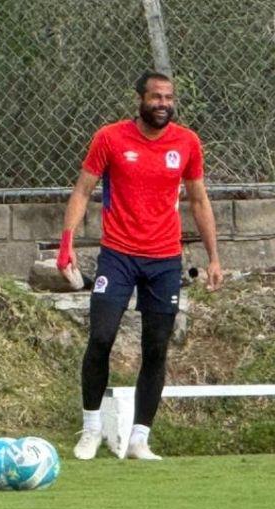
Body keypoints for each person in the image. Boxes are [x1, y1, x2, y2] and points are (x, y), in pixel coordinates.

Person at [57, 71, 223, 462]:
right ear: (140, 99)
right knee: (101, 337)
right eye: (155, 97)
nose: (163, 103)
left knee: (156, 347)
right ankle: (92, 428)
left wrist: (214, 257)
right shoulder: (110, 138)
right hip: (117, 254)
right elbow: (82, 190)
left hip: (165, 259)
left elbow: (199, 201)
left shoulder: (187, 142)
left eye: (168, 97)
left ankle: (139, 439)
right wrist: (66, 244)